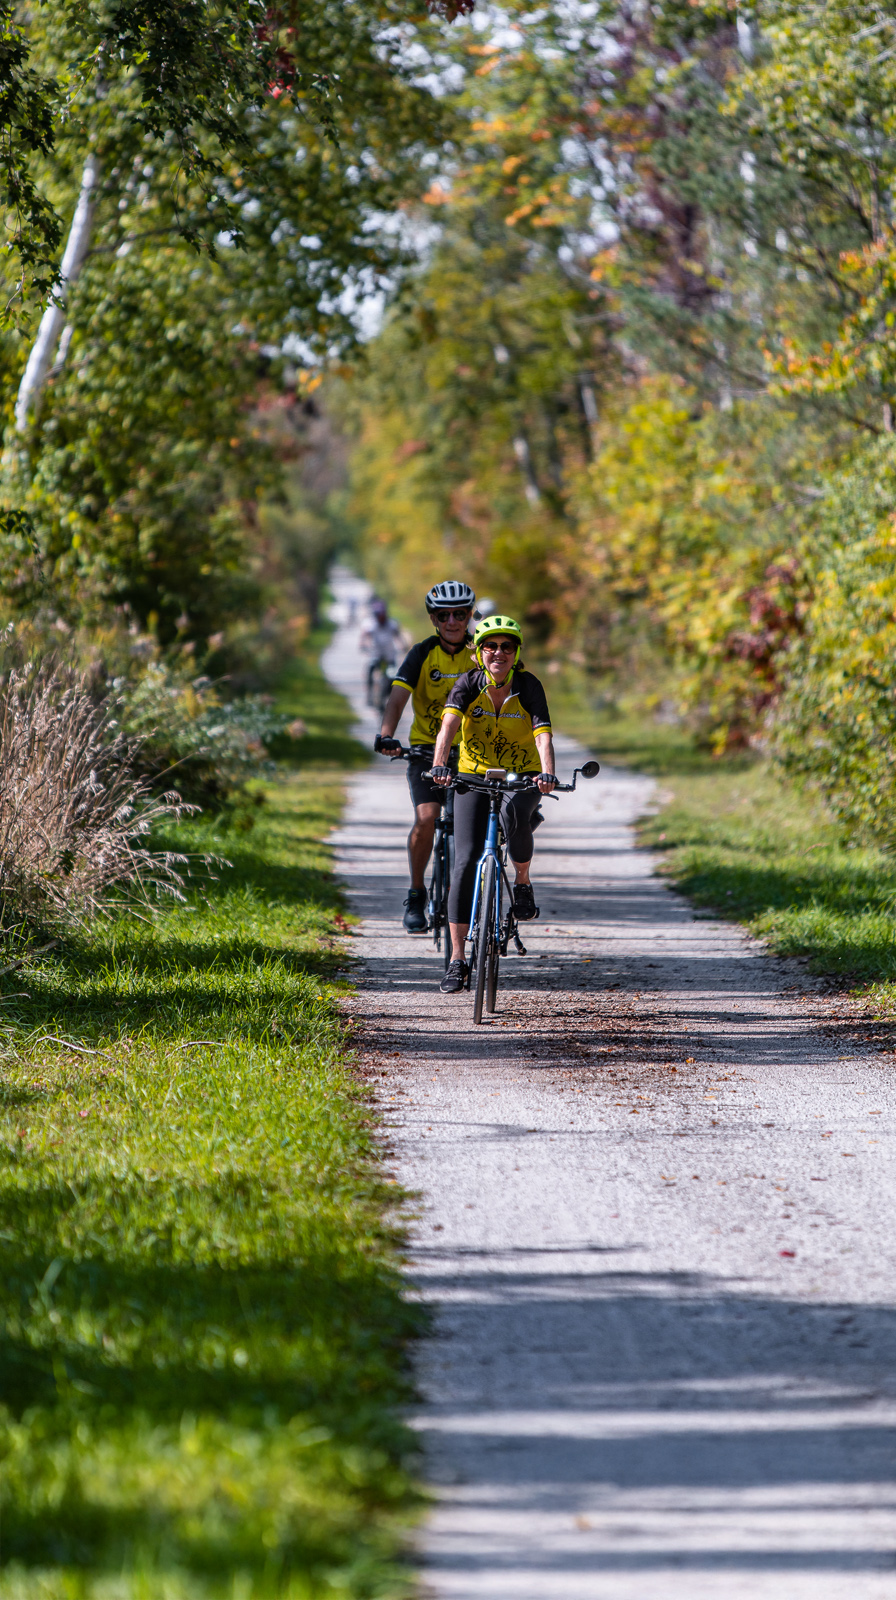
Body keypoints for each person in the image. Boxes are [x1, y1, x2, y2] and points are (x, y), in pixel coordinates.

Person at [429, 614, 556, 993]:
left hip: (524, 775)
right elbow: (448, 726)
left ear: (516, 653)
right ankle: (457, 960)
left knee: (516, 814)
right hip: (473, 775)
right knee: (465, 860)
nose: (498, 653)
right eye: (490, 646)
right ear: (478, 652)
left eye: (507, 647)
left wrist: (548, 773)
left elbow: (542, 735)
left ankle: (522, 882)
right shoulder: (468, 684)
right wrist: (439, 765)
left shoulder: (528, 686)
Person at [374, 580, 477, 931]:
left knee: (473, 827)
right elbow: (397, 698)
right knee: (427, 818)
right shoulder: (421, 653)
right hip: (426, 751)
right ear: (433, 619)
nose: (452, 621)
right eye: (443, 615)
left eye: (459, 614)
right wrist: (386, 735)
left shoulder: (481, 653)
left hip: (471, 754)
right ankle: (417, 892)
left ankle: (470, 896)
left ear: (469, 616)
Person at [359, 598, 402, 705]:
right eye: (379, 615)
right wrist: (363, 644)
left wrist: (403, 645)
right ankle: (369, 694)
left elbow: (399, 636)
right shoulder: (371, 625)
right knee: (371, 670)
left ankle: (387, 696)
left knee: (392, 677)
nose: (381, 617)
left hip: (389, 656)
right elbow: (364, 635)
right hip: (376, 655)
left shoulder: (392, 624)